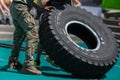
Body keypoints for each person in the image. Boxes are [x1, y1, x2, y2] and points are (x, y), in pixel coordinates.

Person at [8, 0, 51, 75]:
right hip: (22, 8)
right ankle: (29, 65)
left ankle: (13, 61)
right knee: (33, 34)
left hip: (15, 6)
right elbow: (40, 2)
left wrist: (41, 7)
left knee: (19, 35)